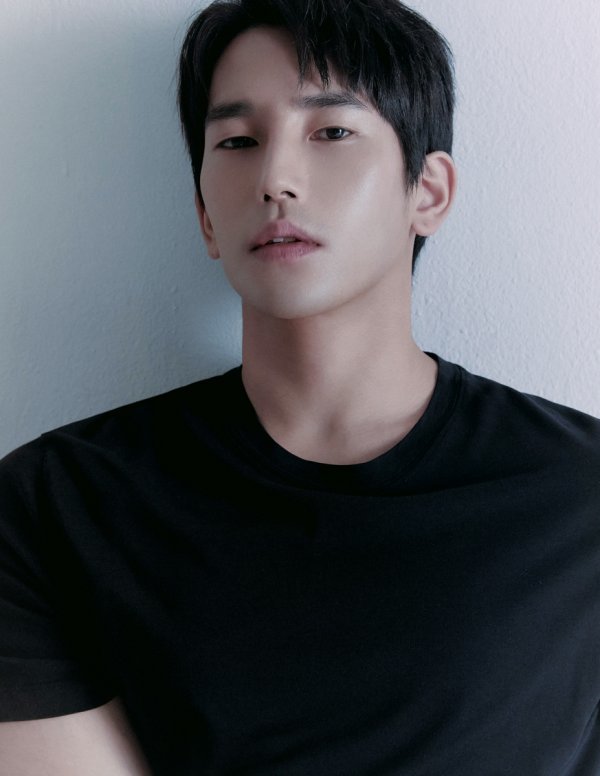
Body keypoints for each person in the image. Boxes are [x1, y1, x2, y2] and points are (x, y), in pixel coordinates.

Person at [1, 0, 599, 773]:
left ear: (429, 191)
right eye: (237, 141)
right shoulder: (58, 506)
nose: (275, 180)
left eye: (332, 132)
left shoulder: (578, 498)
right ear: (205, 216)